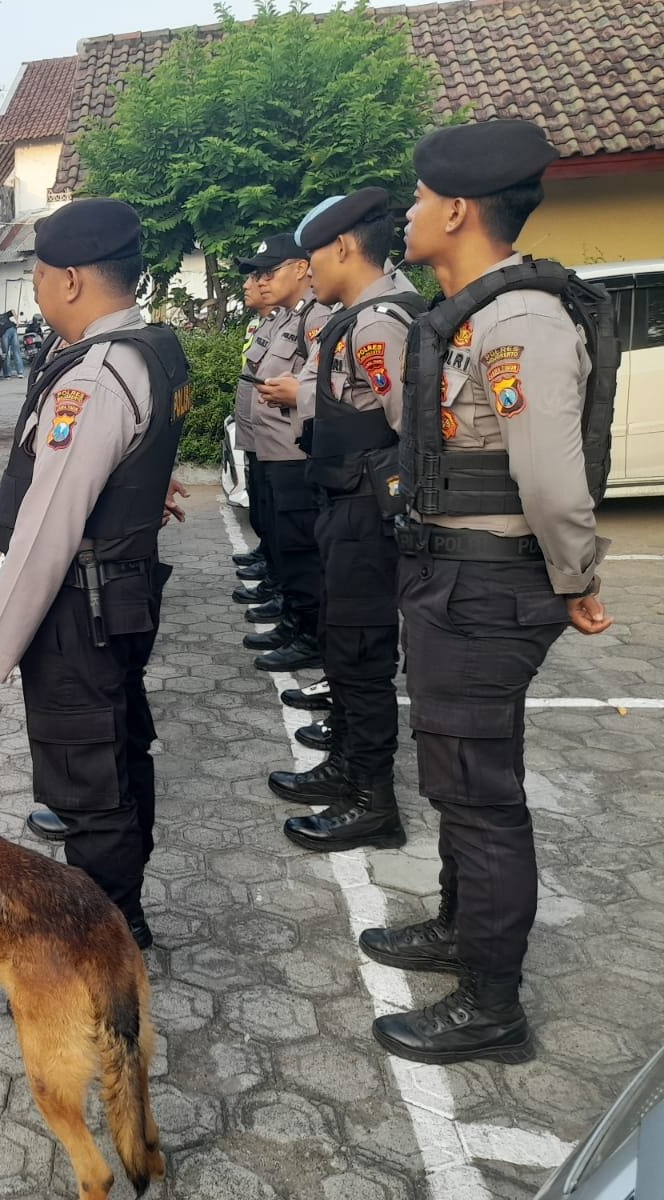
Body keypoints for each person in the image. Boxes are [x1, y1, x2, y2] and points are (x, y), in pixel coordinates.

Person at [358, 120, 615, 1064]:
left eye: (423, 199)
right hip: (453, 582)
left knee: (480, 796)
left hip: (485, 588)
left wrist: (576, 577)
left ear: (459, 210)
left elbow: (552, 482)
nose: (412, 212)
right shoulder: (471, 315)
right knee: (457, 780)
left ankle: (492, 1005)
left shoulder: (519, 324)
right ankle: (459, 928)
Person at [0, 197, 191, 952]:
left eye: (42, 275)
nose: (40, 289)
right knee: (114, 750)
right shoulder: (150, 347)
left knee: (91, 775)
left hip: (80, 605)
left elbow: (47, 533)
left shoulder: (98, 377)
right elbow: (133, 457)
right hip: (117, 593)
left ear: (74, 280)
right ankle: (121, 912)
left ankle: (108, 939)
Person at [270, 188, 426, 853]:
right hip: (344, 504)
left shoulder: (379, 323)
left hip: (368, 512)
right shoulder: (354, 318)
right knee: (342, 642)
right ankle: (346, 767)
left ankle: (372, 800)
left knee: (362, 653)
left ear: (342, 247)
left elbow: (412, 430)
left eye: (313, 258)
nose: (308, 271)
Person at [250, 235, 335, 672]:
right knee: (286, 543)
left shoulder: (317, 316)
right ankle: (296, 620)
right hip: (274, 450)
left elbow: (321, 384)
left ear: (301, 268)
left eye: (270, 271)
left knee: (302, 548)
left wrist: (295, 394)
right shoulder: (292, 316)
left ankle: (310, 635)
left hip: (294, 452)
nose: (262, 281)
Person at [231, 267, 280, 619]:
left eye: (260, 275)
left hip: (278, 439)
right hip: (256, 431)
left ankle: (278, 578)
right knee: (261, 497)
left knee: (276, 509)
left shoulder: (292, 322)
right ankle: (267, 555)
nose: (251, 284)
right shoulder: (263, 323)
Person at [0, 309, 25, 378]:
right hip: (13, 330)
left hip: (4, 334)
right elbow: (12, 310)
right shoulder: (4, 315)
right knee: (16, 352)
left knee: (6, 354)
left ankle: (7, 374)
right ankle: (20, 372)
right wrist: (17, 321)